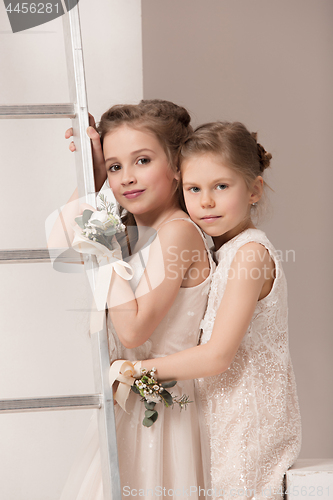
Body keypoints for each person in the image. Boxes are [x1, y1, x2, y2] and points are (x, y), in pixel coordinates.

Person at [114, 121, 302, 499]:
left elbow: (218, 355)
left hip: (251, 423)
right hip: (222, 417)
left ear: (254, 190)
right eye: (194, 189)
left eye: (221, 186)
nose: (207, 202)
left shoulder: (250, 253)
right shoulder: (224, 250)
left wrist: (132, 370)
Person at [54, 100, 214, 499]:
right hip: (130, 407)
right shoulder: (131, 230)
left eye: (142, 160)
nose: (126, 178)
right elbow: (62, 244)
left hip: (163, 416)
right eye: (114, 167)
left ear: (177, 166)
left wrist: (102, 238)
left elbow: (134, 326)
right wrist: (90, 183)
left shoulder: (178, 232)